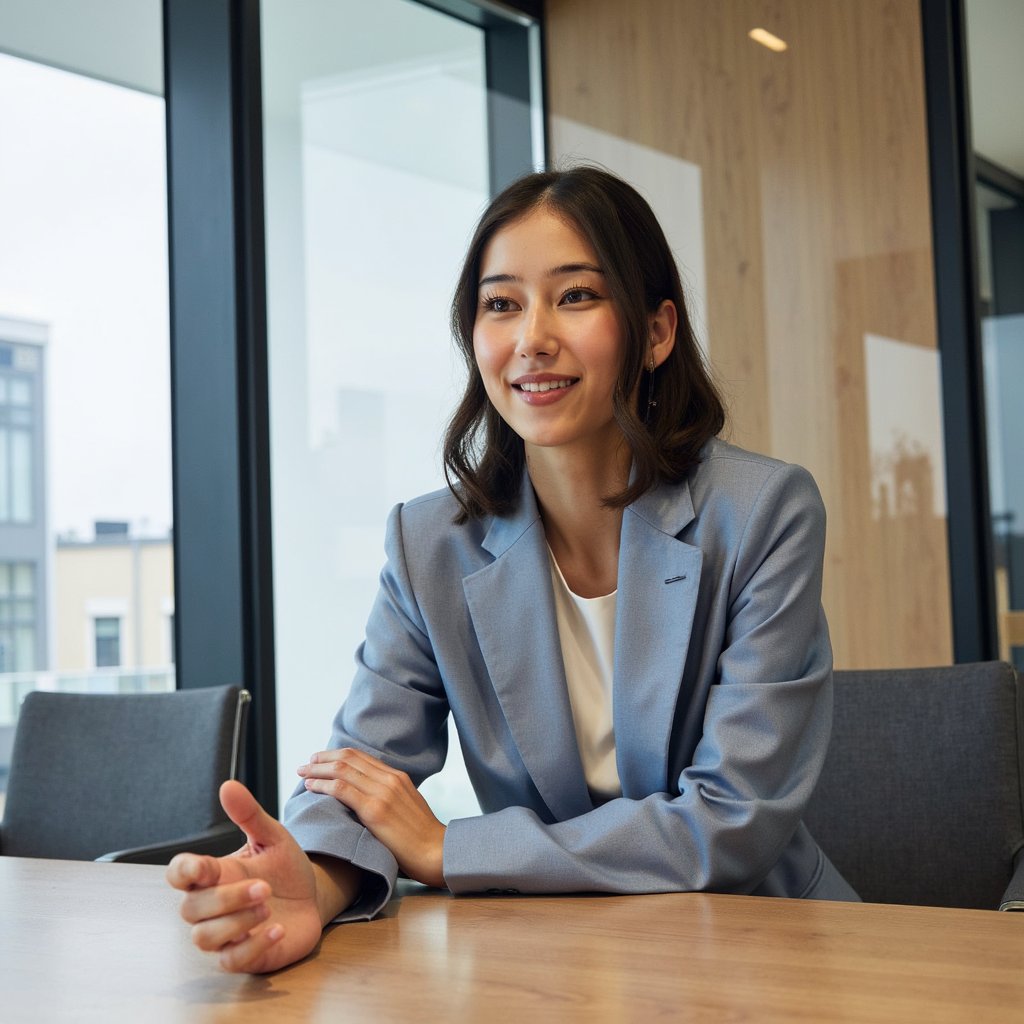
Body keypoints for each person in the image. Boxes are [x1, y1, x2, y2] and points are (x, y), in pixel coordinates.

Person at [168, 165, 858, 974]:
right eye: (501, 304)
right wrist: (313, 886)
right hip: (554, 963)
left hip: (756, 949)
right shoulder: (430, 543)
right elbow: (363, 770)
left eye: (575, 296)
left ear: (658, 330)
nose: (532, 336)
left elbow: (729, 821)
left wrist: (449, 850)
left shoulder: (762, 512)